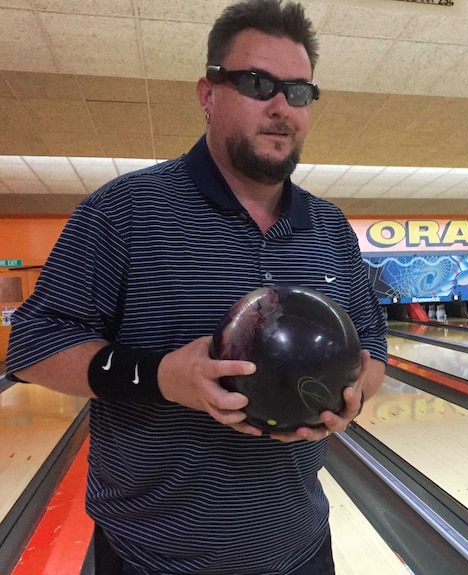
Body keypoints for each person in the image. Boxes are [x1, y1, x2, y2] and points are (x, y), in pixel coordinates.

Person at [5, 1, 388, 573]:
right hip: (152, 557)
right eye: (259, 84)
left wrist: (349, 398)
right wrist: (164, 377)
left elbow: (373, 352)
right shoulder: (124, 211)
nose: (282, 107)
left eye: (299, 91)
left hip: (299, 549)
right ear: (208, 94)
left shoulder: (330, 227)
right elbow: (34, 346)